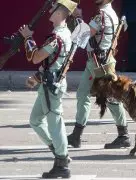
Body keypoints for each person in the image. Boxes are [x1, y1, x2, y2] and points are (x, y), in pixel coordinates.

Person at [18, 0, 77, 178]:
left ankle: (62, 161)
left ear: (60, 13)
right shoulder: (65, 33)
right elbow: (52, 63)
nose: (50, 10)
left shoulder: (57, 37)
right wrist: (37, 78)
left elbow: (36, 57)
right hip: (49, 82)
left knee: (55, 124)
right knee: (35, 120)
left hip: (52, 86)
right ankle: (59, 151)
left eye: (54, 8)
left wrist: (28, 37)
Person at [67, 0, 131, 149]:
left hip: (100, 62)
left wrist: (77, 17)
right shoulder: (111, 13)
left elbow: (82, 36)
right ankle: (76, 135)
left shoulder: (101, 16)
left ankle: (124, 135)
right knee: (83, 94)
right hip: (95, 61)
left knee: (111, 98)